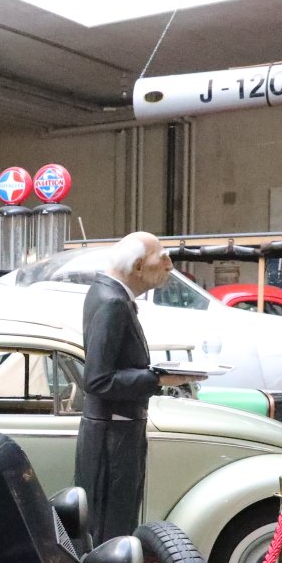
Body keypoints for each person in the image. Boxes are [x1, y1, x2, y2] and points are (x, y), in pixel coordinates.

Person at [74, 232, 189, 543]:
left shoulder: (107, 293)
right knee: (112, 527)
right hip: (113, 436)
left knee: (110, 524)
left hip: (113, 431)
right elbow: (98, 380)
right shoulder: (113, 302)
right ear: (138, 266)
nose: (169, 265)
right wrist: (158, 379)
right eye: (161, 258)